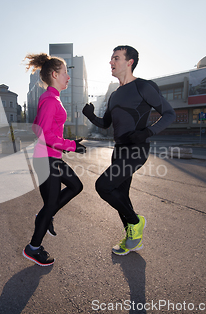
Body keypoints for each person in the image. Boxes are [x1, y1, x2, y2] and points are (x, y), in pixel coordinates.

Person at [82, 45, 176, 255]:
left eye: (116, 58)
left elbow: (169, 114)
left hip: (136, 149)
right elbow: (105, 124)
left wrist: (148, 132)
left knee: (103, 186)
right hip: (119, 150)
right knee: (121, 195)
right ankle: (132, 240)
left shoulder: (143, 86)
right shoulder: (114, 95)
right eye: (111, 58)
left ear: (129, 62)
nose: (111, 62)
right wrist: (90, 115)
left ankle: (136, 221)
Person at [23, 53, 87, 266]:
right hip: (46, 159)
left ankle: (46, 214)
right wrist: (71, 145)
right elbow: (42, 134)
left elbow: (41, 128)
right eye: (65, 73)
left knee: (76, 186)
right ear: (54, 74)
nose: (68, 77)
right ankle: (33, 248)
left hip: (52, 157)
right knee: (50, 205)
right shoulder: (50, 100)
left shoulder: (52, 98)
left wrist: (65, 142)